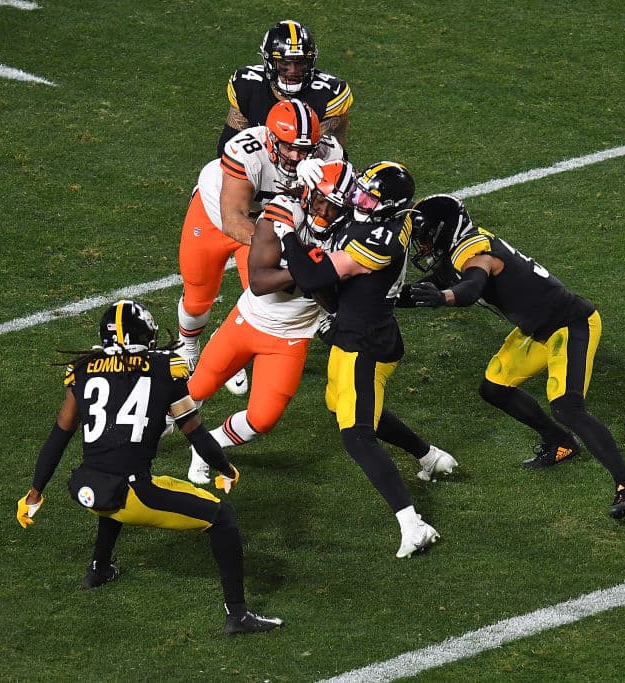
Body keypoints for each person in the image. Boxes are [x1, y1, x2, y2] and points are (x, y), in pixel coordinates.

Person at [15, 299, 283, 635]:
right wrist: (226, 469)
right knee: (222, 517)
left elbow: (58, 437)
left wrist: (35, 492)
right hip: (132, 493)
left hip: (86, 488)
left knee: (117, 479)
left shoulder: (84, 369)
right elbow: (196, 434)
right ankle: (238, 616)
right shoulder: (163, 369)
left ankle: (99, 568)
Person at [185, 160, 457, 489]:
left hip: (293, 335)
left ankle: (207, 446)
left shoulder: (359, 224)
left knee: (262, 419)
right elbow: (258, 281)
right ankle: (140, 437)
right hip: (249, 320)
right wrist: (308, 269)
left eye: (334, 206)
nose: (324, 212)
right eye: (319, 201)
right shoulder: (284, 211)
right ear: (308, 193)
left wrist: (317, 272)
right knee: (193, 391)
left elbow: (337, 290)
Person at [402, 194, 625, 519]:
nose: (421, 246)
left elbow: (470, 288)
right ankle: (559, 442)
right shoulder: (459, 248)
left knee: (568, 408)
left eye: (424, 238)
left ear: (443, 231)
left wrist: (445, 297)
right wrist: (376, 298)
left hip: (570, 325)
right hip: (537, 330)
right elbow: (427, 289)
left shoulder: (476, 252)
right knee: (494, 388)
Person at [277, 160, 446, 558]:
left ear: (389, 207)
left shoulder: (379, 241)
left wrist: (287, 235)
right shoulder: (396, 217)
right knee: (343, 406)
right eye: (360, 192)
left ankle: (413, 524)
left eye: (370, 198)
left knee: (356, 436)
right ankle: (430, 457)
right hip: (364, 330)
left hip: (364, 343)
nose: (360, 201)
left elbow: (314, 277)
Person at [176, 98, 345, 396]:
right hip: (218, 215)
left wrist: (321, 181)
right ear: (271, 139)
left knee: (264, 295)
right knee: (197, 298)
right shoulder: (246, 151)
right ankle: (187, 346)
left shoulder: (328, 153)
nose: (295, 156)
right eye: (289, 147)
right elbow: (233, 219)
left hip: (273, 223)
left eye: (304, 149)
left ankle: (225, 343)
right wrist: (284, 246)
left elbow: (340, 197)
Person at [216, 19, 353, 158]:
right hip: (259, 161)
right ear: (268, 61)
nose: (293, 71)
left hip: (306, 163)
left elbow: (329, 155)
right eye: (284, 63)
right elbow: (229, 146)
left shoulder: (329, 94)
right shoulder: (247, 85)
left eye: (300, 63)